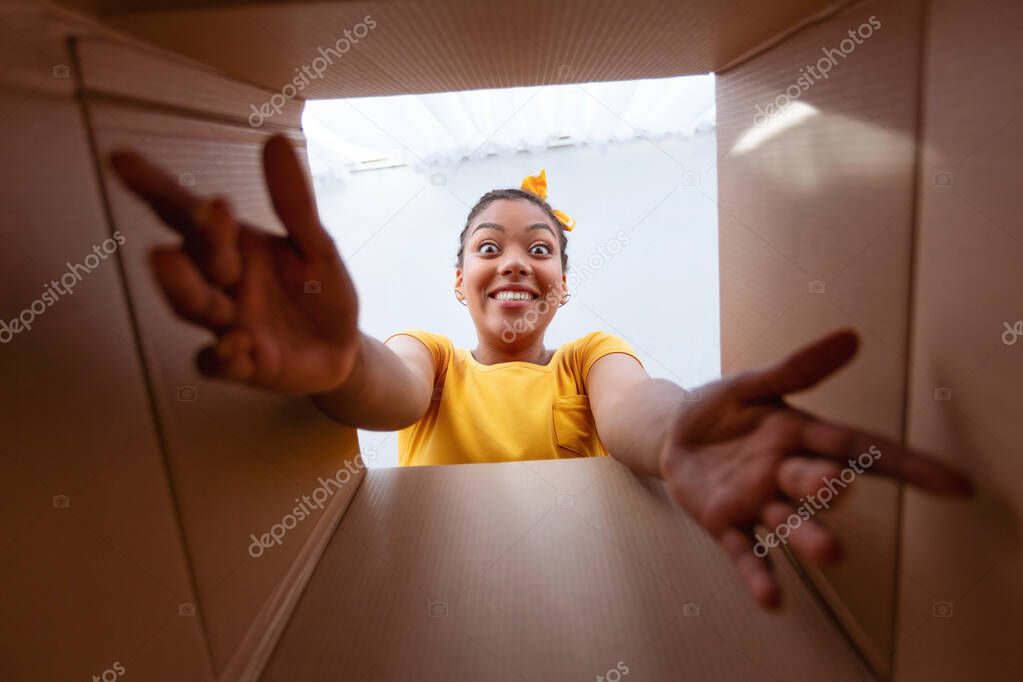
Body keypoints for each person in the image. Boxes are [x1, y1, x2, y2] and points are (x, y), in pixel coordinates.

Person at [108, 134, 972, 609]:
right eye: (490, 248)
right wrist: (338, 362)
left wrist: (681, 434)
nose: (515, 262)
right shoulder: (434, 359)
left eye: (540, 249)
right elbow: (383, 384)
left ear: (562, 285)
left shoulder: (590, 359)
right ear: (459, 283)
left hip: (589, 615)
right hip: (436, 615)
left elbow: (641, 409)